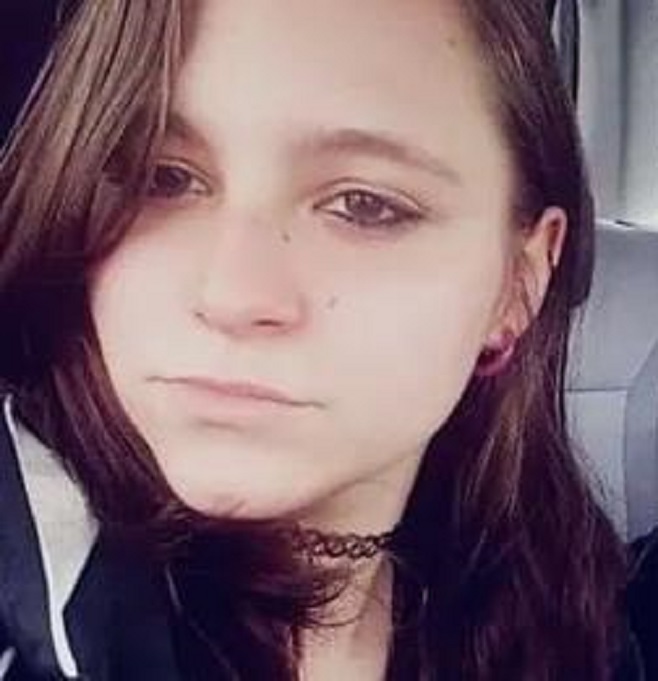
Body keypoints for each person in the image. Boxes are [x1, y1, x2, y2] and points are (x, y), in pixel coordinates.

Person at [0, 0, 633, 679]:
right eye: (164, 179)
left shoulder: (569, 616)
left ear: (519, 283)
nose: (232, 295)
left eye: (365, 204)